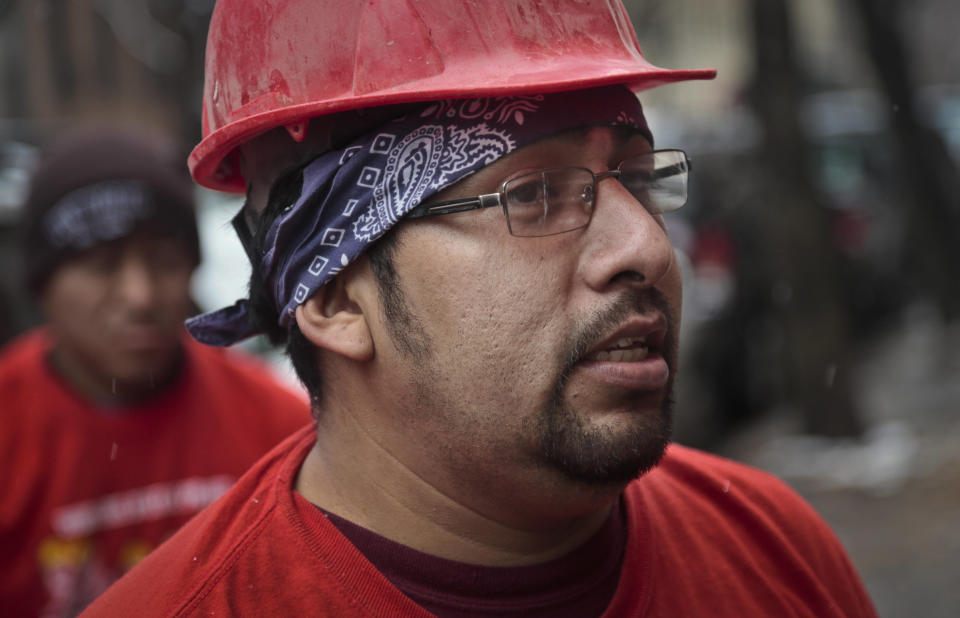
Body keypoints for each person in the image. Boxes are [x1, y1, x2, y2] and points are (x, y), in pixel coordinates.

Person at [84, 1, 878, 616]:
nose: (644, 246)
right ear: (332, 295)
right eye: (533, 195)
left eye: (638, 180)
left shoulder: (775, 549)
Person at [0, 127, 311, 617]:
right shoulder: (10, 432)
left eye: (164, 261)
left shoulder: (282, 431)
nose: (140, 296)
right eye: (103, 266)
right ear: (42, 286)